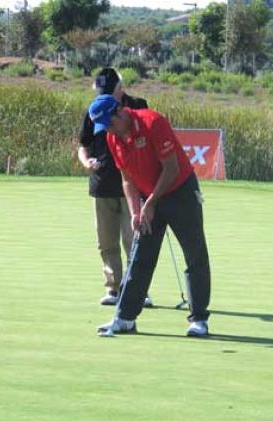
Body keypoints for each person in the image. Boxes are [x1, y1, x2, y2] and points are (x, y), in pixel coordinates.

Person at [90, 95, 211, 337]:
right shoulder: (113, 138)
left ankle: (199, 319)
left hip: (181, 192)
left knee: (194, 253)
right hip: (148, 197)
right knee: (140, 255)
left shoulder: (153, 122)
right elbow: (127, 179)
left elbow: (171, 168)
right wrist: (136, 210)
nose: (109, 130)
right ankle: (125, 318)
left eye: (110, 123)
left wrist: (151, 203)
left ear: (120, 112)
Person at [77, 68, 152, 308]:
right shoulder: (94, 110)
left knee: (134, 241)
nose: (104, 95)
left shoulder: (139, 105)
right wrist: (86, 162)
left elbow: (150, 141)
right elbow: (83, 146)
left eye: (109, 91)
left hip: (133, 185)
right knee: (106, 242)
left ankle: (138, 290)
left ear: (120, 89)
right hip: (102, 184)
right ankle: (113, 287)